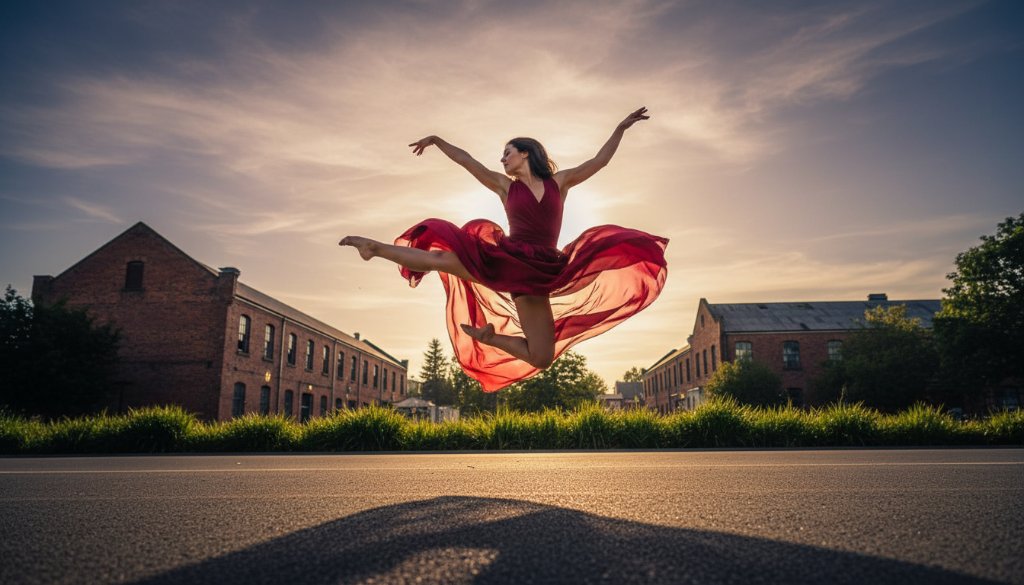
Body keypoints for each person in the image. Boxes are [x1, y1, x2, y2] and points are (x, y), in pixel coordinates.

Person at [340, 107, 668, 392]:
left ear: (525, 153)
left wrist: (621, 128)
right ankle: (375, 248)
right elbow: (468, 162)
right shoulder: (504, 186)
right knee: (441, 258)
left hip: (539, 273)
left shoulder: (561, 182)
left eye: (507, 152)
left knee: (542, 357)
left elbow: (600, 161)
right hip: (507, 263)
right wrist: (438, 141)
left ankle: (490, 338)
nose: (502, 158)